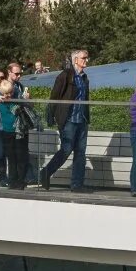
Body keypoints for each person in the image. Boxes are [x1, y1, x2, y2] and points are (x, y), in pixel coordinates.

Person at [39, 50, 93, 191]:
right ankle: (46, 172)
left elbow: (85, 98)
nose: (86, 60)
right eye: (83, 58)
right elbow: (54, 96)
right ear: (76, 60)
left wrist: (87, 117)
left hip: (81, 120)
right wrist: (52, 116)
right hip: (68, 120)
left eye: (86, 58)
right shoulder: (66, 75)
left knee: (80, 152)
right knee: (66, 149)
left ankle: (77, 184)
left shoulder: (84, 77)